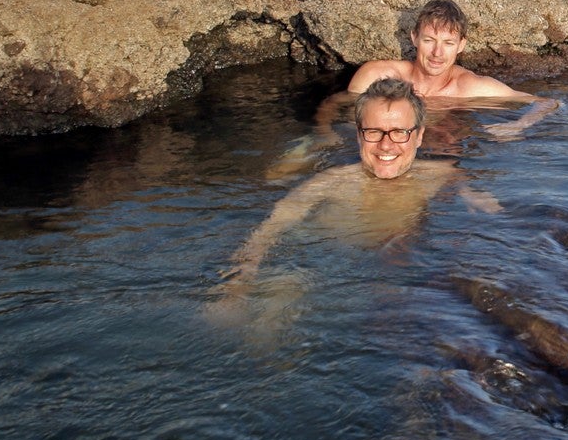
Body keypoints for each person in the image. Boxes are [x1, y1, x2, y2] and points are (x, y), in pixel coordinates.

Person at [209, 78, 491, 325]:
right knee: (276, 306)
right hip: (320, 271)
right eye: (374, 132)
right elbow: (267, 231)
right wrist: (235, 287)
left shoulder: (440, 175)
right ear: (358, 135)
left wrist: (469, 192)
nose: (386, 145)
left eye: (399, 132)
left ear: (418, 136)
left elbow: (459, 177)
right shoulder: (329, 185)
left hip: (399, 282)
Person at [334, 0, 557, 139]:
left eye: (448, 43)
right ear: (414, 38)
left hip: (443, 150)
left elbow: (547, 103)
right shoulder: (377, 76)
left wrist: (518, 126)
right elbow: (336, 109)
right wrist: (327, 134)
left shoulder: (469, 87)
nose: (437, 53)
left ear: (461, 45)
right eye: (429, 40)